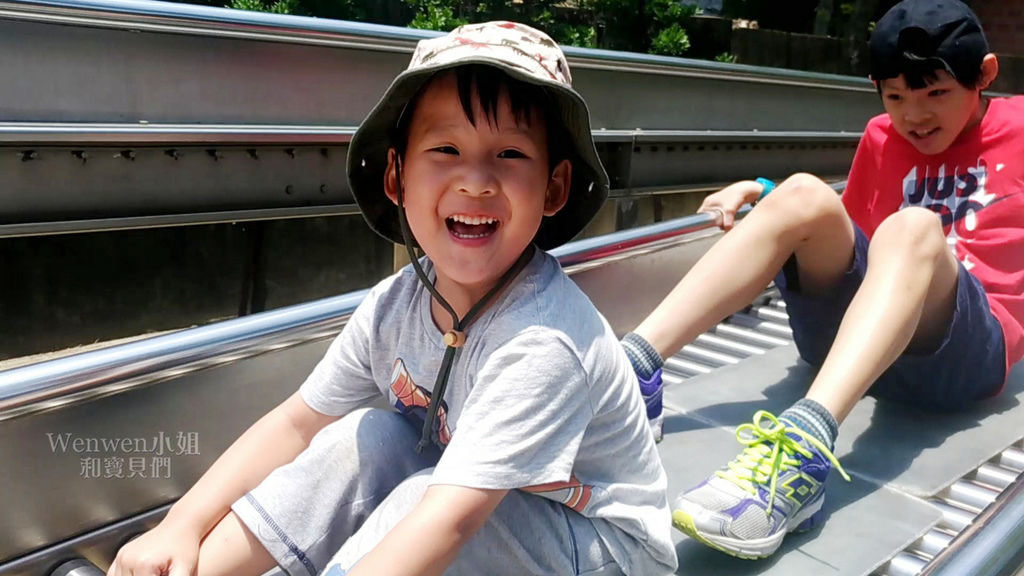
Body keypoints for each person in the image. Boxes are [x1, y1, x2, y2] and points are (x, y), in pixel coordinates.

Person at [107, 21, 677, 576]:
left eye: (509, 155)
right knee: (368, 438)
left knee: (421, 501)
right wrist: (179, 525)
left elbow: (448, 524)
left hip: (600, 548)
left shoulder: (544, 341)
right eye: (446, 148)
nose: (475, 180)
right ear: (397, 179)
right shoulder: (394, 307)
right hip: (483, 506)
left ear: (554, 188)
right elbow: (295, 426)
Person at [621, 0, 1023, 560]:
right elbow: (845, 229)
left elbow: (902, 238)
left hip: (963, 358)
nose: (915, 116)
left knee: (911, 227)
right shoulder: (882, 138)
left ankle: (804, 449)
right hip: (861, 345)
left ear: (984, 75)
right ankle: (632, 371)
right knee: (806, 189)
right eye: (896, 96)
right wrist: (768, 194)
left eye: (936, 93)